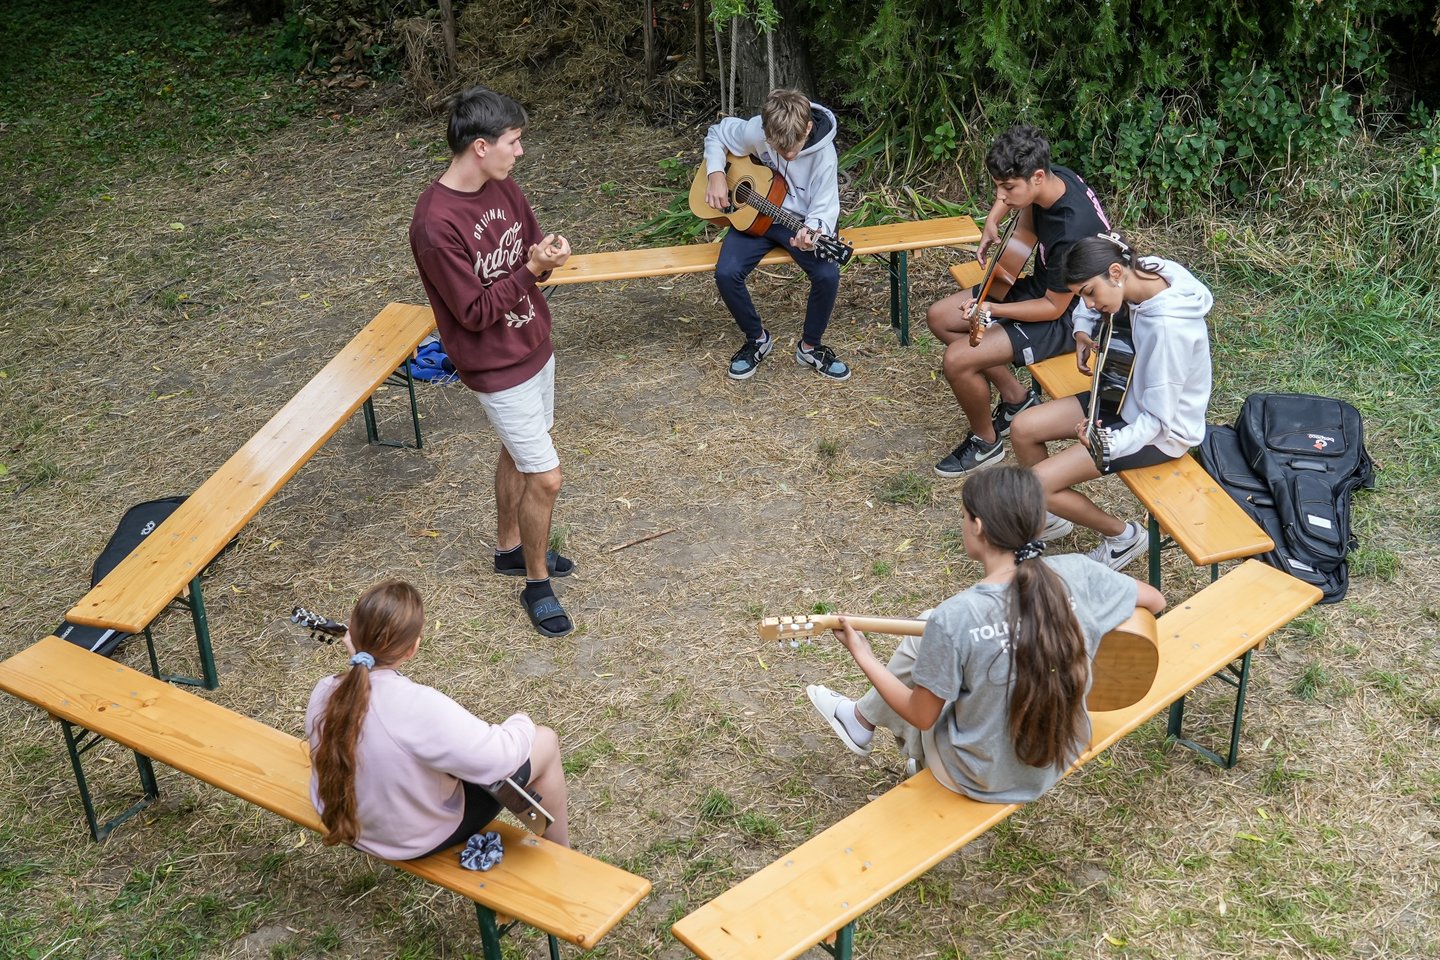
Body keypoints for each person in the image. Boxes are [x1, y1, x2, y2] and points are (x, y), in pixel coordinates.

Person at [806, 466, 1165, 802]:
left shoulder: (957, 617)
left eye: (963, 516)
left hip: (980, 777)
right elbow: (1155, 600)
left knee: (934, 663)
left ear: (977, 526)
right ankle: (861, 719)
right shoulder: (1080, 573)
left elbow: (921, 715)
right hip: (1058, 754)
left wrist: (863, 655)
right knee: (931, 634)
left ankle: (880, 732)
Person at [409, 86, 575, 638]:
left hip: (534, 345)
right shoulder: (435, 225)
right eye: (514, 141)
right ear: (481, 147)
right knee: (546, 477)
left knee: (519, 450)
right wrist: (532, 270)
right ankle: (536, 583)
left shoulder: (504, 188)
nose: (519, 152)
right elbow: (475, 312)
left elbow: (530, 251)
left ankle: (509, 549)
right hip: (494, 366)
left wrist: (547, 257)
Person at [306, 579, 572, 856]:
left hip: (341, 818)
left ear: (352, 631)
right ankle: (566, 857)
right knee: (545, 740)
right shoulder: (418, 706)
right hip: (407, 839)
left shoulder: (325, 690)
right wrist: (521, 721)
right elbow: (499, 760)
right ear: (412, 648)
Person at [1009, 232, 1214, 570]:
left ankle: (1123, 537)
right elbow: (1089, 303)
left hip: (1159, 432)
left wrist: (1106, 444)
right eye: (1082, 295)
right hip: (1120, 392)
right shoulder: (1143, 270)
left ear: (1116, 273)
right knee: (1023, 427)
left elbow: (1158, 420)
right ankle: (1052, 515)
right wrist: (1081, 330)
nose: (1088, 303)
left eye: (1090, 292)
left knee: (1037, 484)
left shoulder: (1168, 330)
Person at [927, 126, 1112, 478]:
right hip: (1043, 288)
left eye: (1008, 188)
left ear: (1037, 177)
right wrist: (993, 220)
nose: (1001, 195)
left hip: (1071, 316)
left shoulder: (1071, 231)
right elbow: (1027, 224)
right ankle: (1016, 399)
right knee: (939, 317)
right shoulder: (1056, 180)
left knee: (957, 359)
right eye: (998, 186)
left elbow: (1053, 307)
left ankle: (986, 441)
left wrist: (992, 309)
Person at [702, 88, 850, 382]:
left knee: (827, 275)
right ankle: (756, 339)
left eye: (793, 147)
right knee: (727, 273)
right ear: (766, 132)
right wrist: (716, 173)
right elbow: (717, 134)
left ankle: (811, 347)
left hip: (799, 222)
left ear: (808, 128)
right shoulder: (758, 130)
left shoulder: (824, 156)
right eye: (778, 149)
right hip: (754, 218)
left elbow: (823, 210)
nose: (788, 155)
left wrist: (810, 236)